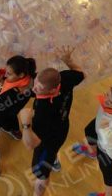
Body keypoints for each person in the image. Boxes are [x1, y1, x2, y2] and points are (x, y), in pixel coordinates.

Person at [71, 34, 112, 196]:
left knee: (106, 172)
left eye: (109, 101)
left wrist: (105, 132)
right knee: (88, 130)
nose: (105, 99)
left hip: (107, 147)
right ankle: (91, 152)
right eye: (107, 94)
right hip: (101, 127)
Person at [18, 46, 85, 196]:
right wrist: (68, 61)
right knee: (53, 152)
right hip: (62, 127)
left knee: (40, 174)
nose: (34, 89)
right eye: (35, 83)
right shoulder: (65, 78)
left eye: (38, 88)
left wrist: (26, 124)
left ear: (52, 91)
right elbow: (81, 74)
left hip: (47, 142)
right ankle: (53, 160)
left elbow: (31, 144)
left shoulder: (42, 112)